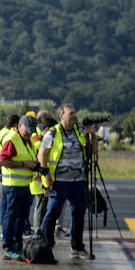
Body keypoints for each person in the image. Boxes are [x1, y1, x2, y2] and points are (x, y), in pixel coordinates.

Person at [39, 104, 92, 261]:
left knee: (79, 213)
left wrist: (92, 136)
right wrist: (46, 175)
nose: (74, 115)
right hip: (59, 182)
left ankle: (77, 247)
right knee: (52, 213)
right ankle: (46, 244)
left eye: (75, 112)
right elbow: (42, 155)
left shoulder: (80, 131)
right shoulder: (53, 133)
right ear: (62, 116)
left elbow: (93, 152)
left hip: (78, 182)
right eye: (71, 113)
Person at [0, 114, 43, 261]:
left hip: (25, 184)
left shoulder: (27, 140)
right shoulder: (12, 139)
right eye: (26, 130)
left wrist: (34, 165)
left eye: (31, 131)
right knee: (11, 216)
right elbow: (2, 161)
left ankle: (17, 246)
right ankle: (8, 247)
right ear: (19, 125)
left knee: (21, 218)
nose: (28, 133)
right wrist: (25, 164)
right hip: (13, 185)